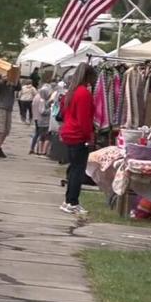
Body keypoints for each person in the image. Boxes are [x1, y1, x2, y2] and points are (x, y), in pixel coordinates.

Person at [59, 63, 95, 215]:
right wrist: (89, 136)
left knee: (73, 168)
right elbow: (84, 119)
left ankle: (68, 200)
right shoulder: (84, 94)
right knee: (78, 170)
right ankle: (72, 201)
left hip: (68, 132)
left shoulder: (71, 92)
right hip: (78, 135)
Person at [0, 73, 17, 158]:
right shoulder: (0, 83)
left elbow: (18, 88)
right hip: (1, 107)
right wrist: (3, 80)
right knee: (1, 129)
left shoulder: (12, 83)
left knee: (7, 130)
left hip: (9, 108)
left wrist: (16, 78)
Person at [30, 84, 52, 156]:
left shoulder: (37, 96)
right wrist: (50, 110)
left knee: (38, 134)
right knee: (41, 135)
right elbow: (42, 111)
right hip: (41, 119)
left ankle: (34, 149)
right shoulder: (42, 100)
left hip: (36, 117)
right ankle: (39, 150)